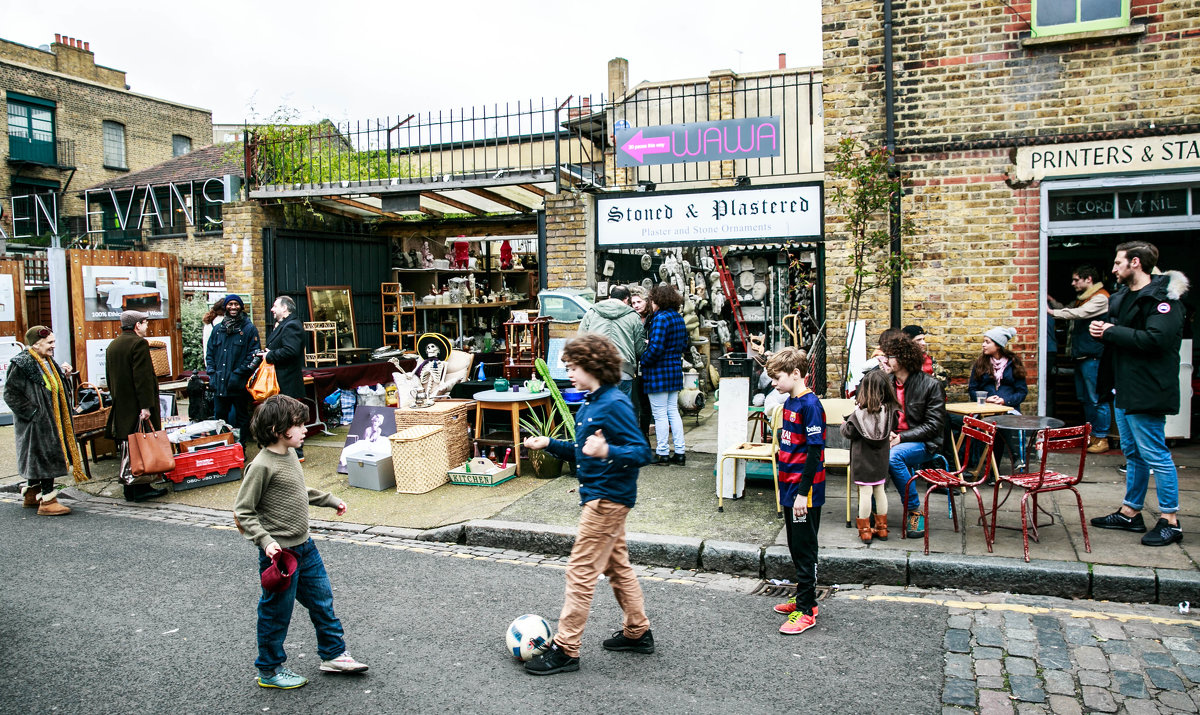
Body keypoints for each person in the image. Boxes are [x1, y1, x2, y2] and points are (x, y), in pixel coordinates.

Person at [521, 334, 654, 675]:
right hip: (604, 496)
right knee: (617, 567)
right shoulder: (593, 401)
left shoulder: (614, 403)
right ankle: (638, 632)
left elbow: (642, 452)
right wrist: (549, 442)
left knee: (580, 572)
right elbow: (583, 452)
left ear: (592, 366)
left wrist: (607, 451)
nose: (570, 375)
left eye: (572, 368)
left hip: (606, 500)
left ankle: (566, 650)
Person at [233, 395, 369, 689]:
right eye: (298, 424)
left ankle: (333, 654)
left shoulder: (291, 455)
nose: (305, 428)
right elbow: (243, 511)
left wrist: (330, 499)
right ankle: (269, 670)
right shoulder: (260, 466)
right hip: (281, 556)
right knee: (276, 612)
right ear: (278, 429)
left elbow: (297, 489)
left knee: (322, 601)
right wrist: (265, 541)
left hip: (305, 547)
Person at [1089, 240, 1187, 547]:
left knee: (1156, 454)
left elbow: (1157, 339)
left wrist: (1110, 332)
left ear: (1135, 263)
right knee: (1133, 453)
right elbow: (1125, 336)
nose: (1114, 268)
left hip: (1147, 389)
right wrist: (1106, 331)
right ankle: (1130, 512)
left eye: (1119, 263)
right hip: (1124, 388)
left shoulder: (1163, 298)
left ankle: (1170, 520)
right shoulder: (1124, 297)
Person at [764, 347, 825, 635]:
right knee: (794, 545)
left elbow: (814, 453)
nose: (774, 383)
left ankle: (806, 609)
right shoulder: (790, 401)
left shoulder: (810, 406)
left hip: (805, 490)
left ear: (796, 374)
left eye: (777, 378)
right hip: (790, 486)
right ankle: (804, 599)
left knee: (805, 549)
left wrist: (803, 493)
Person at [3, 326, 85, 515]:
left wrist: (64, 375)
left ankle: (32, 495)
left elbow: (51, 386)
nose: (53, 346)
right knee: (44, 457)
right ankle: (48, 501)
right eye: (49, 343)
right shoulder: (22, 362)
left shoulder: (45, 359)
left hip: (50, 418)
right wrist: (33, 413)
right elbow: (10, 394)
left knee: (38, 458)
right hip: (37, 422)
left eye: (53, 342)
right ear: (36, 344)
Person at [880, 332, 946, 539]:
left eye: (889, 355)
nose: (885, 360)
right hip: (892, 439)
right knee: (869, 455)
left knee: (893, 457)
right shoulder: (886, 382)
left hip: (924, 443)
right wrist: (886, 432)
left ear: (903, 359)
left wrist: (901, 438)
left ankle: (914, 510)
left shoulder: (930, 385)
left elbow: (934, 425)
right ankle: (875, 511)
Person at [105, 310, 169, 502]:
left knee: (130, 446)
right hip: (137, 405)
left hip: (122, 405)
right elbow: (142, 378)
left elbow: (110, 378)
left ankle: (130, 489)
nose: (147, 326)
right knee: (142, 445)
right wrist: (146, 406)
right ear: (136, 325)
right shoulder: (139, 344)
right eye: (145, 322)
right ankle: (141, 488)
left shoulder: (113, 345)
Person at [1048, 265, 1112, 454]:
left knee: (1097, 398)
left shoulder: (1100, 297)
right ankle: (1092, 435)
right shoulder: (1083, 299)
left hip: (1093, 356)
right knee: (1085, 398)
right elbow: (1070, 309)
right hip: (1083, 356)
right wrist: (1052, 302)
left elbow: (1079, 314)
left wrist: (1052, 312)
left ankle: (1102, 437)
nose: (1073, 283)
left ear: (1088, 279)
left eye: (1076, 279)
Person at [841, 369, 899, 543]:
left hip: (862, 460)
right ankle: (882, 529)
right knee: (880, 491)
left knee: (865, 493)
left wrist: (844, 423)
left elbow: (848, 432)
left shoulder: (858, 415)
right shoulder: (889, 412)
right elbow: (893, 427)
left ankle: (865, 530)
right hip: (880, 459)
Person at [578, 284, 645, 418]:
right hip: (623, 371)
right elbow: (640, 349)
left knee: (599, 412)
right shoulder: (633, 316)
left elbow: (580, 341)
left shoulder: (592, 312)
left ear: (609, 297)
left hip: (597, 370)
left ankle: (601, 438)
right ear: (627, 299)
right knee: (621, 413)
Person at [641, 283, 688, 465]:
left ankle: (662, 452)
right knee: (673, 412)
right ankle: (680, 452)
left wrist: (643, 361)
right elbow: (683, 345)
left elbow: (656, 348)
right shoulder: (678, 318)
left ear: (658, 300)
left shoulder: (660, 319)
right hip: (674, 369)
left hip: (658, 371)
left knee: (660, 414)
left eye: (652, 300)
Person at [206, 294, 260, 449]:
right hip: (219, 384)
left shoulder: (249, 329)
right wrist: (212, 373)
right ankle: (222, 448)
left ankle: (239, 448)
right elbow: (210, 353)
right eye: (230, 304)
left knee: (241, 418)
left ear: (241, 307)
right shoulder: (217, 329)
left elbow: (254, 356)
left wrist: (239, 374)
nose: (233, 307)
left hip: (238, 384)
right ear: (226, 307)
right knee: (219, 419)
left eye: (236, 304)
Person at [264, 296, 306, 459]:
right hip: (282, 380)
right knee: (285, 417)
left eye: (275, 306)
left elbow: (291, 351)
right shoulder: (284, 325)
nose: (272, 309)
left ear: (285, 308)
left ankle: (297, 451)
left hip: (287, 381)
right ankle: (288, 449)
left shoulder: (292, 325)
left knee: (290, 417)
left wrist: (269, 355)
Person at [967, 327, 1028, 411]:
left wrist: (1005, 401)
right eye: (984, 341)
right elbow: (972, 389)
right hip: (985, 410)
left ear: (998, 345)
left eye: (987, 342)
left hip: (1009, 410)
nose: (983, 345)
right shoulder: (980, 364)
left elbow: (1022, 392)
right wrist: (986, 399)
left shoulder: (1014, 363)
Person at [200, 296, 227, 371]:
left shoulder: (210, 321)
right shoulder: (221, 321)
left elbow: (206, 344)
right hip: (221, 362)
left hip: (212, 361)